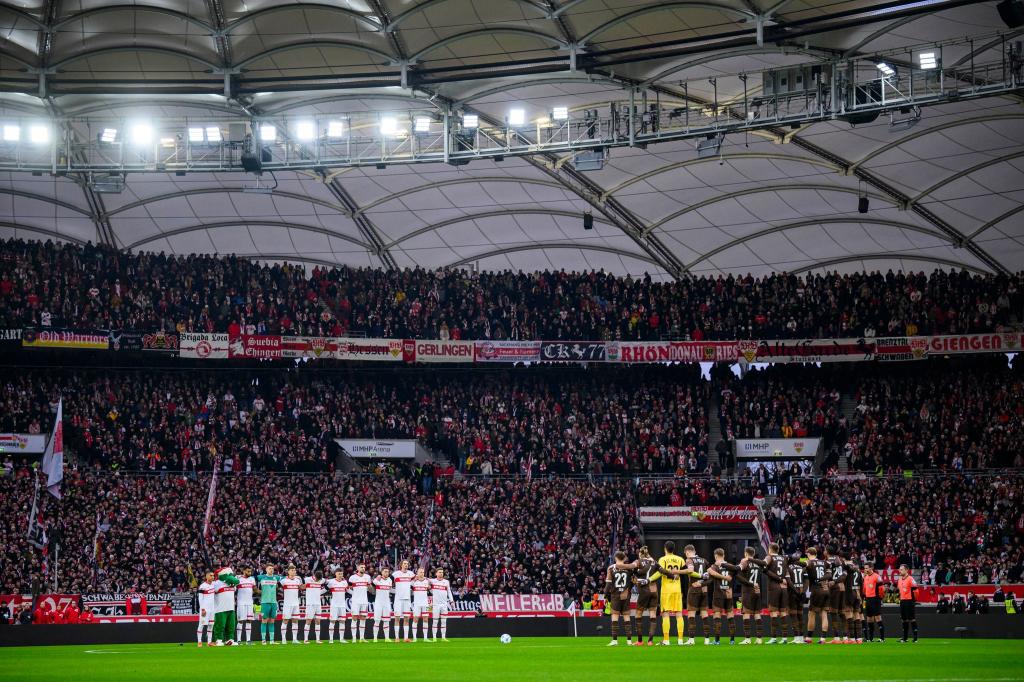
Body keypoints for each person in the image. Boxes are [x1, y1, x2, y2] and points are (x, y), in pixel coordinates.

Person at [705, 547, 740, 645]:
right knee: (730, 615)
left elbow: (710, 572)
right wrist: (726, 578)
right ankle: (732, 640)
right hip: (728, 594)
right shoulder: (730, 566)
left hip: (718, 594)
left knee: (717, 615)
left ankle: (717, 641)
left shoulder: (714, 566)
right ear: (724, 555)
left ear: (715, 556)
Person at [656, 540, 687, 646]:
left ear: (665, 548)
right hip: (677, 590)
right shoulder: (680, 559)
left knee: (665, 614)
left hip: (666, 590)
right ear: (674, 549)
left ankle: (666, 640)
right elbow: (684, 575)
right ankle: (680, 640)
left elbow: (660, 572)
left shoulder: (662, 559)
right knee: (679, 614)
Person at [604, 551, 634, 646]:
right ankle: (629, 641)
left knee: (615, 617)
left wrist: (605, 595)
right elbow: (633, 581)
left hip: (615, 595)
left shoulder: (611, 568)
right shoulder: (629, 568)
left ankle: (614, 641)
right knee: (627, 617)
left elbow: (608, 584)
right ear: (624, 558)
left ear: (616, 557)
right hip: (626, 595)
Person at [683, 544, 711, 646]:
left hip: (694, 588)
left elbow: (690, 572)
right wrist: (703, 582)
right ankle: (707, 640)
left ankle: (691, 639)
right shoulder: (704, 560)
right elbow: (709, 575)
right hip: (704, 590)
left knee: (691, 614)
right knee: (704, 614)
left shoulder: (689, 560)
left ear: (687, 552)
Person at [632, 546, 660, 646]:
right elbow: (661, 570)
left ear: (640, 554)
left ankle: (640, 641)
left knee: (638, 615)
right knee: (652, 615)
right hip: (654, 590)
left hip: (644, 591)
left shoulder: (638, 561)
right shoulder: (654, 562)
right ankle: (650, 641)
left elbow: (633, 568)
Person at [761, 542, 789, 644]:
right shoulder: (783, 558)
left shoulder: (769, 557)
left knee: (773, 612)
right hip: (784, 588)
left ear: (770, 549)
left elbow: (764, 564)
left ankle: (773, 638)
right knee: (783, 612)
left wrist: (765, 570)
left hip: (774, 587)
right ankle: (785, 638)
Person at [736, 546, 764, 644]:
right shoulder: (757, 564)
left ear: (746, 554)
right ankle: (759, 639)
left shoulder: (744, 562)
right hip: (757, 590)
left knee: (746, 614)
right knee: (757, 614)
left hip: (748, 591)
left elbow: (737, 574)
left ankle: (747, 639)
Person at [805, 547, 831, 644]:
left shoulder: (810, 562)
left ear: (808, 554)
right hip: (826, 589)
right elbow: (829, 575)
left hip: (816, 590)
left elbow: (804, 567)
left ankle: (808, 638)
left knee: (811, 613)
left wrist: (817, 579)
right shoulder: (824, 563)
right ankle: (823, 638)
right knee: (824, 614)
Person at [212, 566, 240, 646]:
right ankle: (218, 640)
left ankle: (229, 640)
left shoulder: (233, 584)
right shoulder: (216, 583)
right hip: (220, 609)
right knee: (220, 625)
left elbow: (236, 586)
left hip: (231, 608)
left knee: (231, 626)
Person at [256, 564, 280, 645]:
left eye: (272, 569)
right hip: (265, 602)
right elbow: (253, 577)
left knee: (272, 621)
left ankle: (272, 640)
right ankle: (263, 640)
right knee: (264, 620)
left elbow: (285, 578)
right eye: (270, 568)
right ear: (266, 569)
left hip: (273, 602)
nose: (271, 570)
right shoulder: (261, 577)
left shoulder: (276, 577)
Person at [392, 560, 415, 642]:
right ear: (401, 565)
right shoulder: (395, 574)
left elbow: (414, 582)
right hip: (398, 599)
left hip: (407, 599)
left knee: (406, 618)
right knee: (397, 618)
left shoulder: (411, 574)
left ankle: (406, 638)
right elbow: (388, 582)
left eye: (407, 564)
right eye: (405, 563)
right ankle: (397, 638)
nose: (406, 565)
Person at [785, 555, 807, 643]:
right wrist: (803, 591)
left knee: (793, 615)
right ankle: (801, 637)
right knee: (800, 615)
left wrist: (795, 590)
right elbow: (806, 581)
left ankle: (797, 637)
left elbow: (789, 581)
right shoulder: (803, 568)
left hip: (793, 593)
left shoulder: (788, 568)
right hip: (801, 592)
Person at [279, 565, 303, 644]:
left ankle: (294, 639)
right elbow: (277, 585)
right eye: (292, 570)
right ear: (288, 571)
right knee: (285, 620)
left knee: (295, 621)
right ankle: (283, 639)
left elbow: (301, 588)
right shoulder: (284, 580)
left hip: (296, 603)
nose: (293, 572)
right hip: (287, 604)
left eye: (294, 570)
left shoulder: (298, 580)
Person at [348, 563, 372, 642]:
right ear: (358, 568)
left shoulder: (367, 577)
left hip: (364, 601)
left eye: (364, 567)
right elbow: (347, 588)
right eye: (361, 567)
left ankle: (362, 638)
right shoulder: (352, 578)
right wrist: (353, 593)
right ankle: (354, 638)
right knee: (354, 618)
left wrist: (370, 588)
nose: (363, 568)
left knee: (363, 618)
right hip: (356, 601)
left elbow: (369, 588)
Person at [429, 568, 454, 642]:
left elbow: (449, 592)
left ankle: (443, 637)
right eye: (439, 572)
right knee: (435, 621)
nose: (441, 574)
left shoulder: (446, 582)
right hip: (436, 604)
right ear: (436, 573)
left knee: (444, 621)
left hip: (444, 604)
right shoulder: (433, 581)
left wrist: (452, 601)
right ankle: (434, 638)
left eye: (442, 572)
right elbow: (424, 579)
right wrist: (429, 589)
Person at [325, 569, 350, 643]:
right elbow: (325, 589)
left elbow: (348, 591)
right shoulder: (331, 581)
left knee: (342, 621)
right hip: (334, 605)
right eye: (339, 574)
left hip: (342, 605)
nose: (340, 575)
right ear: (335, 574)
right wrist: (317, 594)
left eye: (341, 574)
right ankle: (331, 639)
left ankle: (341, 639)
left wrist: (355, 594)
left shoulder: (344, 582)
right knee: (332, 621)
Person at [862, 563, 885, 642]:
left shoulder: (877, 577)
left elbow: (882, 588)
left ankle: (882, 638)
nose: (865, 570)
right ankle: (870, 639)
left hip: (875, 599)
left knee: (878, 618)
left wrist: (880, 598)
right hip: (868, 599)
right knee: (869, 619)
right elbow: (864, 589)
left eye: (867, 568)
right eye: (865, 568)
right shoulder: (865, 577)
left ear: (871, 568)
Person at [897, 564, 918, 643]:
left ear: (906, 570)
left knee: (912, 619)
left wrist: (913, 600)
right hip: (902, 601)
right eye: (899, 569)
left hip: (909, 601)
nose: (900, 571)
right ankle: (905, 638)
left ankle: (915, 638)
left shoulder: (910, 579)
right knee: (903, 620)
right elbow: (900, 591)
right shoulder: (899, 580)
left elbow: (916, 591)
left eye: (901, 569)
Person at [235, 567, 256, 645]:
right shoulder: (238, 578)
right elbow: (233, 588)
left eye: (250, 571)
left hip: (250, 602)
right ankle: (238, 640)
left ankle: (248, 640)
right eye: (248, 571)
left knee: (249, 620)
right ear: (243, 571)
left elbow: (255, 590)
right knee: (240, 620)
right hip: (241, 602)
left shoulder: (252, 579)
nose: (249, 572)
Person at [372, 566, 393, 642]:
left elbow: (390, 590)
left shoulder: (390, 580)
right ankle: (375, 638)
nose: (386, 573)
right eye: (385, 571)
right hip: (378, 603)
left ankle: (387, 638)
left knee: (386, 620)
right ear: (381, 572)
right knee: (377, 620)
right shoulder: (378, 579)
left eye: (388, 572)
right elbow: (373, 582)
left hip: (387, 602)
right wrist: (378, 578)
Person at [303, 570, 325, 643]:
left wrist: (320, 593)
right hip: (310, 604)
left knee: (318, 621)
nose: (318, 581)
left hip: (318, 604)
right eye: (317, 579)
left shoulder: (321, 580)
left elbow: (328, 582)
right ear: (314, 576)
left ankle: (317, 639)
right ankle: (305, 639)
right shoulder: (307, 579)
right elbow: (300, 582)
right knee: (308, 621)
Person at [196, 570, 216, 647]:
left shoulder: (213, 585)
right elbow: (200, 598)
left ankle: (209, 642)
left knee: (211, 625)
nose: (212, 577)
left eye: (213, 575)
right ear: (207, 576)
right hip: (205, 609)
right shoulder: (202, 586)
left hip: (212, 609)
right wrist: (203, 609)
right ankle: (199, 642)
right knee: (201, 625)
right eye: (211, 575)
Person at [411, 568, 431, 642]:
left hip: (425, 603)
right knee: (415, 619)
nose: (422, 573)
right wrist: (414, 579)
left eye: (423, 572)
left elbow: (430, 588)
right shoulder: (414, 582)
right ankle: (414, 638)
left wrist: (429, 586)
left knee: (426, 619)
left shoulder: (426, 581)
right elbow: (409, 586)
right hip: (416, 603)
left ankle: (425, 638)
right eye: (420, 572)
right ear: (417, 573)